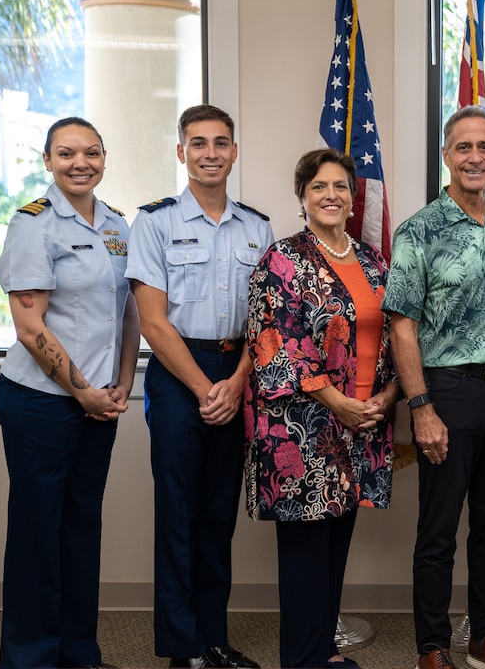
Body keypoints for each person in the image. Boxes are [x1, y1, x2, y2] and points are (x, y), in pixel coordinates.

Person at [382, 105, 485, 669]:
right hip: (448, 391)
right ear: (447, 155)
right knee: (439, 529)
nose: (475, 157)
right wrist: (421, 406)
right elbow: (401, 322)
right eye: (464, 147)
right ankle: (432, 647)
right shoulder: (418, 230)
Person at [126, 104, 273, 669]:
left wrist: (235, 382)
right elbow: (152, 322)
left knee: (218, 517)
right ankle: (181, 648)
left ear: (234, 152)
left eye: (220, 142)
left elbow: (264, 319)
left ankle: (214, 640)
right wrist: (205, 388)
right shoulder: (155, 223)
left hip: (239, 371)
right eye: (198, 143)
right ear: (181, 151)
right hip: (176, 373)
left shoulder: (256, 227)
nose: (210, 152)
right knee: (179, 515)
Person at [243, 148, 399, 668]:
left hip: (362, 428)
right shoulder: (282, 260)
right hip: (306, 432)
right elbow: (275, 346)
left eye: (340, 186)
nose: (331, 195)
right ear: (302, 196)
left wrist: (387, 397)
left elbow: (397, 339)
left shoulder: (374, 262)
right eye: (319, 187)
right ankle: (303, 661)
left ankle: (323, 656)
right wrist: (340, 404)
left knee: (335, 549)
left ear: (354, 195)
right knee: (307, 558)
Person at [0, 117, 139, 669]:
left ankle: (80, 653)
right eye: (67, 153)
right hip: (41, 404)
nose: (81, 162)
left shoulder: (116, 225)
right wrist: (84, 393)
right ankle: (30, 659)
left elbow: (128, 311)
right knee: (38, 533)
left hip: (98, 404)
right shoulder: (34, 224)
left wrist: (124, 381)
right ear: (48, 159)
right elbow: (31, 327)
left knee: (81, 528)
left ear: (104, 157)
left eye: (92, 152)